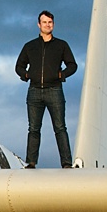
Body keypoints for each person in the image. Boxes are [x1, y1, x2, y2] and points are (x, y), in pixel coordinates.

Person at [14, 11, 78, 168]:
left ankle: (66, 162)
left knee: (60, 127)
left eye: (50, 22)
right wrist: (27, 75)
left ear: (53, 24)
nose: (47, 25)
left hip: (54, 90)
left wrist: (61, 75)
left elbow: (72, 65)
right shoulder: (30, 46)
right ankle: (31, 162)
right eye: (44, 22)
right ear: (39, 24)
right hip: (34, 91)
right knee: (34, 129)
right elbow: (19, 66)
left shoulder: (61, 45)